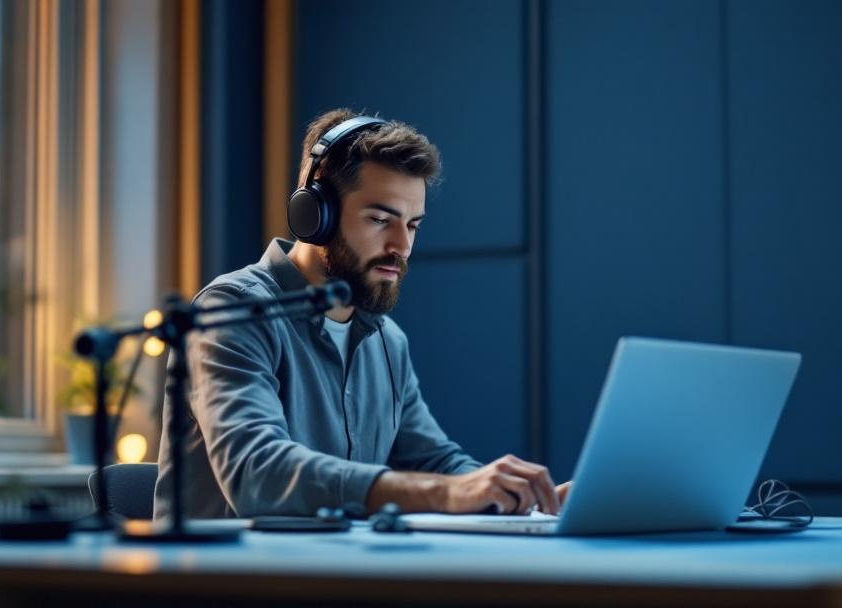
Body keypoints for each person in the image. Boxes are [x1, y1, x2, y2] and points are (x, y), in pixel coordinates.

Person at [154, 109, 569, 521]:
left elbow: (434, 461)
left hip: (335, 564)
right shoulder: (233, 311)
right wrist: (448, 493)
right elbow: (258, 475)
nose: (401, 247)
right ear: (315, 214)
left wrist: (522, 500)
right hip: (232, 566)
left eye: (412, 225)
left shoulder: (387, 340)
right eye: (380, 219)